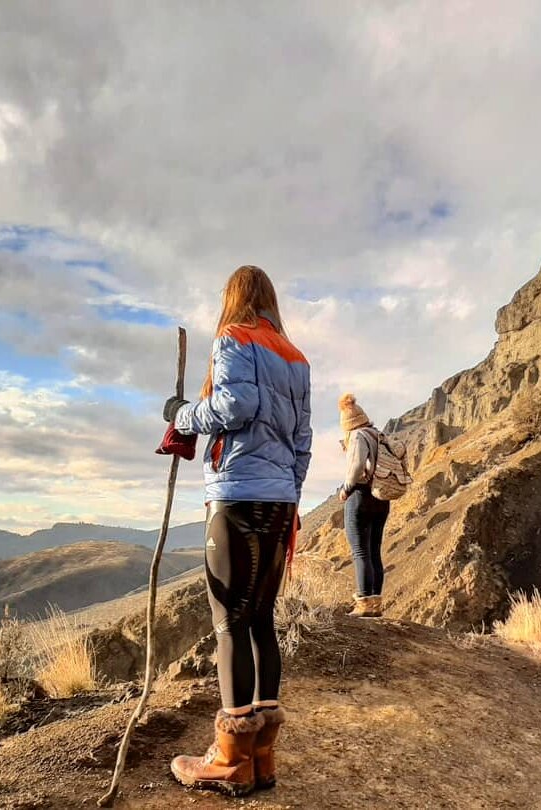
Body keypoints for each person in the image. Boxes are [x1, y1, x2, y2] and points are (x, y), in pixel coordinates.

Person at [164, 266, 312, 797]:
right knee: (261, 620)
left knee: (229, 622)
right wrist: (289, 492)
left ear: (234, 300)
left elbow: (234, 406)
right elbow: (303, 439)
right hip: (278, 497)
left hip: (236, 495)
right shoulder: (296, 358)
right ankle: (261, 756)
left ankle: (230, 760)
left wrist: (183, 415)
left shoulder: (233, 338)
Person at [337, 393, 390, 618]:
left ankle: (363, 603)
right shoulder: (378, 435)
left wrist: (347, 488)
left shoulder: (357, 436)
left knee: (360, 551)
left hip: (360, 495)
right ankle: (375, 603)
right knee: (374, 551)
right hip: (381, 496)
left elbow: (358, 465)